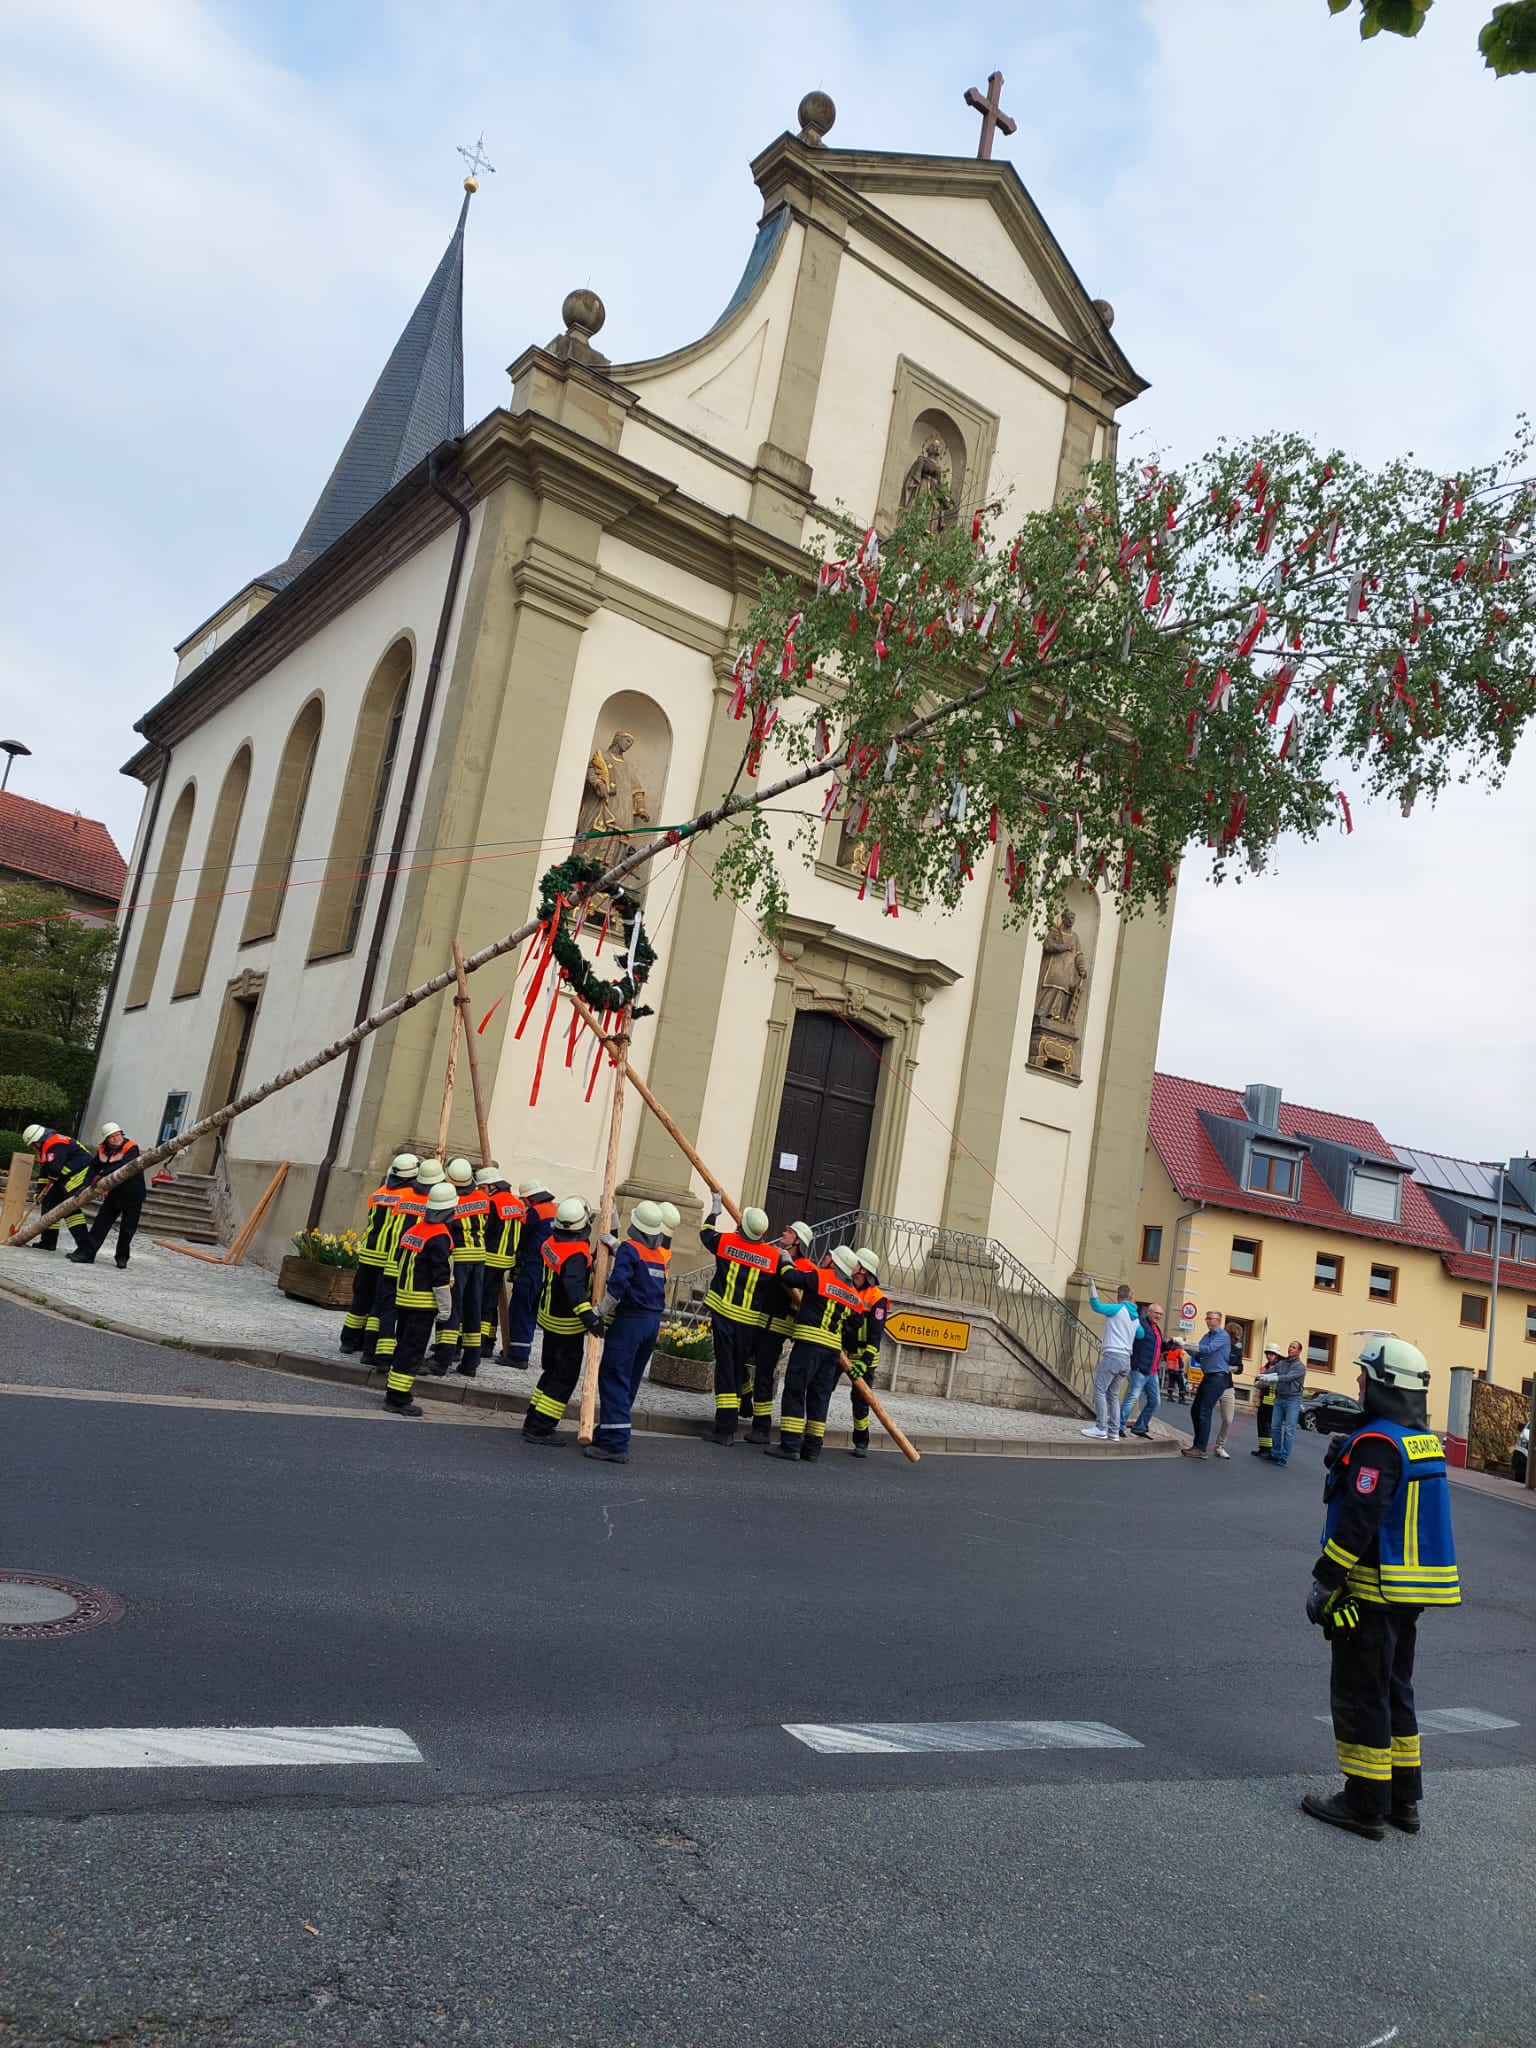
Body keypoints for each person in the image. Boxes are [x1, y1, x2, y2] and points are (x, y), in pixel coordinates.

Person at [1301, 1336, 1459, 1840]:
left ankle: (1363, 1803)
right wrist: (1346, 1455)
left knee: (1361, 1693)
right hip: (1407, 1595)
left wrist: (1326, 1580)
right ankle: (1401, 1800)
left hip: (1369, 1591)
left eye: (1365, 1376)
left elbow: (1360, 1520)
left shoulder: (1378, 1444)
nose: (1358, 1382)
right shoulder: (1420, 1440)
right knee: (1395, 1690)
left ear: (1384, 1385)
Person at [587, 1200, 669, 1464]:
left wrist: (598, 1312)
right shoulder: (658, 1255)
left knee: (614, 1376)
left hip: (631, 1321)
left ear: (636, 1225)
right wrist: (615, 1243)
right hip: (651, 1323)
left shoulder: (630, 1250)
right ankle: (611, 1430)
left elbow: (617, 1287)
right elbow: (638, 1265)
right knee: (629, 1379)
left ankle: (615, 1444)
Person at [769, 1244, 865, 1463]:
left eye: (830, 1256)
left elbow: (790, 1277)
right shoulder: (855, 1297)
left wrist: (785, 1259)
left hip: (809, 1345)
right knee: (820, 1397)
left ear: (835, 1263)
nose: (827, 1258)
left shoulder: (820, 1277)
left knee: (795, 1390)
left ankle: (790, 1445)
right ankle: (812, 1449)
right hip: (832, 1352)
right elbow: (857, 1323)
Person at [521, 1198, 606, 1446]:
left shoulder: (551, 1243)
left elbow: (571, 1271)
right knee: (563, 1378)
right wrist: (590, 1318)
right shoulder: (575, 1254)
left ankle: (533, 1418)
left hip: (549, 1319)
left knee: (551, 1372)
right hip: (566, 1325)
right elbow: (575, 1290)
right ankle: (540, 1428)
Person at [699, 1194, 780, 1445]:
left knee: (726, 1370)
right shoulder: (772, 1257)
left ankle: (725, 1429)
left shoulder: (725, 1242)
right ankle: (741, 1407)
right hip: (750, 1324)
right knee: (736, 1368)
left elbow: (705, 1233)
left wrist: (715, 1210)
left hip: (724, 1316)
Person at [383, 1181, 458, 1416]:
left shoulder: (414, 1230)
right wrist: (445, 1308)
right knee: (412, 1352)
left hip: (404, 1300)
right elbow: (440, 1276)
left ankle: (393, 1391)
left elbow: (400, 1261)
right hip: (422, 1304)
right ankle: (398, 1399)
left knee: (403, 1348)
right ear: (449, 1211)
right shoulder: (440, 1236)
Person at [340, 1153, 417, 1352]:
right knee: (379, 1304)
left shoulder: (378, 1193)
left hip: (368, 1255)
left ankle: (348, 1340)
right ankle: (370, 1344)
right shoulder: (408, 1196)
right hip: (386, 1258)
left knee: (360, 1301)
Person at [745, 1219, 813, 1444]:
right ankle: (744, 1399)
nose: (783, 1232)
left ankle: (761, 1427)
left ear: (797, 1241)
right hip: (758, 1320)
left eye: (789, 1231)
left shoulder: (806, 1268)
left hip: (777, 1327)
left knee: (763, 1375)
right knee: (736, 1358)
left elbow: (799, 1294)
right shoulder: (776, 1256)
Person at [370, 1158, 439, 1369]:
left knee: (387, 1310)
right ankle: (404, 1357)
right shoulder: (432, 1205)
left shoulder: (402, 1198)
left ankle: (382, 1357)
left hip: (392, 1261)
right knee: (410, 1317)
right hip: (411, 1269)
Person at [433, 1158, 489, 1376]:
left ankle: (442, 1358)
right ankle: (471, 1362)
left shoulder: (450, 1201)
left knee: (452, 1307)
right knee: (473, 1309)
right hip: (479, 1257)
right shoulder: (482, 1198)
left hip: (458, 1258)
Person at [69, 1124, 147, 1268]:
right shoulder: (102, 1150)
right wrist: (85, 1184)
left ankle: (122, 1258)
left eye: (118, 1135)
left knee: (128, 1228)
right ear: (106, 1139)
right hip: (114, 1192)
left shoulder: (131, 1148)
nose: (116, 1138)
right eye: (112, 1137)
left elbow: (123, 1166)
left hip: (133, 1192)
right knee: (101, 1224)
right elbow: (93, 1167)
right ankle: (87, 1254)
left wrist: (102, 1175)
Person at [21, 1124, 94, 1255]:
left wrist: (51, 1180)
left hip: (79, 1175)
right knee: (49, 1203)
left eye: (32, 1145)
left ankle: (84, 1248)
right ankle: (48, 1242)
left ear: (37, 1142)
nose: (32, 1148)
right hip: (65, 1176)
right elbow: (45, 1171)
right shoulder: (46, 1147)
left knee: (70, 1209)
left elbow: (54, 1170)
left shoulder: (55, 1144)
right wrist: (39, 1192)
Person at [1081, 1281, 1140, 1442]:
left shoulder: (1117, 1309)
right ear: (1131, 1298)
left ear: (1118, 1296)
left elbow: (1096, 1306)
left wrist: (1091, 1288)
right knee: (1113, 1396)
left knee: (1099, 1390)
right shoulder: (1135, 1317)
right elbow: (1140, 1334)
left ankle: (1101, 1428)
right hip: (1126, 1360)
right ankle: (1114, 1432)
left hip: (1113, 1356)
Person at [506, 1179, 557, 1365]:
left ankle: (518, 1355)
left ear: (530, 1199)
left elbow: (523, 1238)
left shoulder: (535, 1212)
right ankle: (520, 1349)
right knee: (531, 1309)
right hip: (548, 1269)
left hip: (533, 1265)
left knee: (520, 1309)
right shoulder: (554, 1210)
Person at [845, 1245, 889, 1458]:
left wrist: (865, 1361)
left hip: (864, 1357)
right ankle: (813, 1434)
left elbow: (875, 1336)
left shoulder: (877, 1298)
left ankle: (861, 1441)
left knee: (860, 1399)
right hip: (841, 1352)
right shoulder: (845, 1287)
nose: (856, 1273)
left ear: (867, 1273)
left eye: (860, 1269)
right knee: (821, 1388)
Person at [478, 1168, 523, 1359]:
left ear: (492, 1186)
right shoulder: (517, 1203)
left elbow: (486, 1229)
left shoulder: (493, 1202)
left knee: (482, 1301)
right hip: (506, 1258)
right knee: (491, 1301)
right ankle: (489, 1341)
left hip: (490, 1257)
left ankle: (480, 1343)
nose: (481, 1191)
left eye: (482, 1188)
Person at [1183, 1311, 1233, 1459]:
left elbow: (1208, 1349)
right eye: (1207, 1318)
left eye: (1210, 1318)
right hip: (1208, 1376)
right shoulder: (1207, 1336)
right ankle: (1197, 1444)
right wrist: (1188, 1349)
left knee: (1204, 1411)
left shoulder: (1222, 1336)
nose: (1207, 1321)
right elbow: (1200, 1353)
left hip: (1218, 1377)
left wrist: (1189, 1345)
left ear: (1218, 1320)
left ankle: (1201, 1448)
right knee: (1196, 1410)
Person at [1120, 1302, 1164, 1438]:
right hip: (1140, 1368)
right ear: (1149, 1312)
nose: (1158, 1316)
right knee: (1132, 1398)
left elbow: (1158, 1347)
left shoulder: (1157, 1328)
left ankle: (1139, 1427)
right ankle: (1119, 1426)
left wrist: (1171, 1344)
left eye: (1160, 1314)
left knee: (1155, 1401)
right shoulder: (1141, 1323)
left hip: (1153, 1371)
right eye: (1156, 1313)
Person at [1269, 1339, 1308, 1467]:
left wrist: (1274, 1378)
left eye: (1294, 1347)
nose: (1290, 1349)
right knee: (1275, 1427)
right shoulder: (1281, 1363)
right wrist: (1261, 1376)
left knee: (1289, 1429)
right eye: (1290, 1346)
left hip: (1293, 1400)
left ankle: (1284, 1457)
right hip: (1280, 1398)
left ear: (1299, 1351)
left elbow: (1288, 1377)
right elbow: (1271, 1371)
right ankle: (1275, 1453)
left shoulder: (1300, 1367)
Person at [1252, 1344, 1282, 1457]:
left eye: (1272, 1354)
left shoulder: (1280, 1368)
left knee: (1268, 1426)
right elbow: (1257, 1381)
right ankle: (1262, 1448)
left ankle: (1269, 1450)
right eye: (1268, 1354)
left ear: (1277, 1355)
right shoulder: (1265, 1367)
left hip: (1273, 1402)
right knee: (1261, 1424)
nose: (1269, 1356)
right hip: (1263, 1400)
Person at [1161, 1336, 1189, 1405]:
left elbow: (1166, 1357)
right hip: (1178, 1370)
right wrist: (1181, 1370)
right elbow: (1181, 1361)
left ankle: (1170, 1396)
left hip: (1170, 1370)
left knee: (1171, 1383)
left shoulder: (1171, 1350)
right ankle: (1181, 1398)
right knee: (1181, 1384)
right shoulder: (1179, 1350)